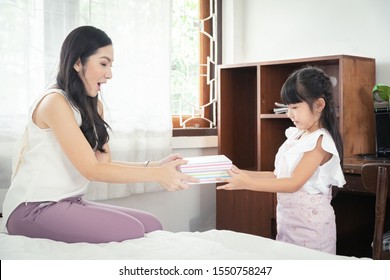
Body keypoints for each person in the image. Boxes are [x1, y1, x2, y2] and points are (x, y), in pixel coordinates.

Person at [2, 25, 198, 243]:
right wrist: (156, 175)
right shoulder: (54, 102)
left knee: (152, 225)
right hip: (33, 209)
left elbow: (104, 163)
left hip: (69, 202)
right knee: (130, 230)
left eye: (111, 65)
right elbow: (92, 170)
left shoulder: (92, 107)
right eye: (103, 63)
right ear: (77, 62)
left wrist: (157, 166)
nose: (110, 74)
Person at [217, 66, 345, 254]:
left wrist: (248, 183)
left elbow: (293, 183)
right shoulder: (298, 136)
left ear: (319, 105)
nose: (289, 114)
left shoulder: (319, 141)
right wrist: (239, 173)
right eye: (288, 107)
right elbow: (278, 176)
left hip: (311, 230)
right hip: (288, 224)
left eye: (294, 107)